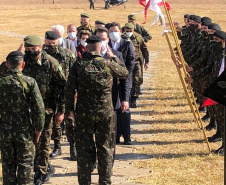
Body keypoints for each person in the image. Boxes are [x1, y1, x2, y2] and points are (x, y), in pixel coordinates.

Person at [65, 35, 128, 184]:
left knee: (84, 149)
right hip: (105, 112)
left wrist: (70, 110)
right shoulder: (108, 63)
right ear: (101, 48)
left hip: (83, 113)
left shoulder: (78, 64)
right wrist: (114, 58)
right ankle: (105, 181)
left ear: (87, 47)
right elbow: (124, 73)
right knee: (105, 148)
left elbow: (69, 90)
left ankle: (84, 181)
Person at [22, 35, 67, 185]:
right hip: (27, 110)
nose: (30, 52)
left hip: (46, 110)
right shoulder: (24, 62)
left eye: (33, 49)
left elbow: (63, 87)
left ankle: (41, 172)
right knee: (31, 142)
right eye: (27, 49)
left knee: (43, 142)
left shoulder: (51, 63)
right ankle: (42, 166)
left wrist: (61, 111)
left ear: (41, 47)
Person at [0, 51, 45, 185]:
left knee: (8, 164)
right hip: (25, 130)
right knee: (25, 164)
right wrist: (39, 129)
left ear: (7, 64)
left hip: (5, 130)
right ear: (23, 65)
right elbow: (39, 108)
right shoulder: (29, 82)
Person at [43, 31, 77, 161]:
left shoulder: (67, 54)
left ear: (58, 41)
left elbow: (75, 72)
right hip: (49, 94)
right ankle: (57, 146)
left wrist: (75, 90)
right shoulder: (42, 55)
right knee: (54, 122)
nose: (51, 45)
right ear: (45, 42)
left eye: (54, 43)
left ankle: (73, 147)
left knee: (70, 121)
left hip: (66, 93)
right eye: (49, 43)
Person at [108, 22, 135, 145]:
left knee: (125, 109)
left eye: (116, 30)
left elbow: (131, 63)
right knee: (115, 109)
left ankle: (127, 135)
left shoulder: (127, 44)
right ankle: (116, 135)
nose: (114, 33)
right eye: (111, 31)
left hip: (125, 81)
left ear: (120, 31)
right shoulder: (106, 45)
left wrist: (122, 74)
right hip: (111, 82)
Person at [123, 23, 149, 108]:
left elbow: (144, 49)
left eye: (131, 31)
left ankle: (134, 99)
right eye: (127, 31)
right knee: (125, 81)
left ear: (133, 30)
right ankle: (126, 97)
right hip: (124, 63)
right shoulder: (122, 37)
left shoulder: (138, 37)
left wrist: (146, 61)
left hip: (136, 62)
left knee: (136, 80)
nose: (129, 32)